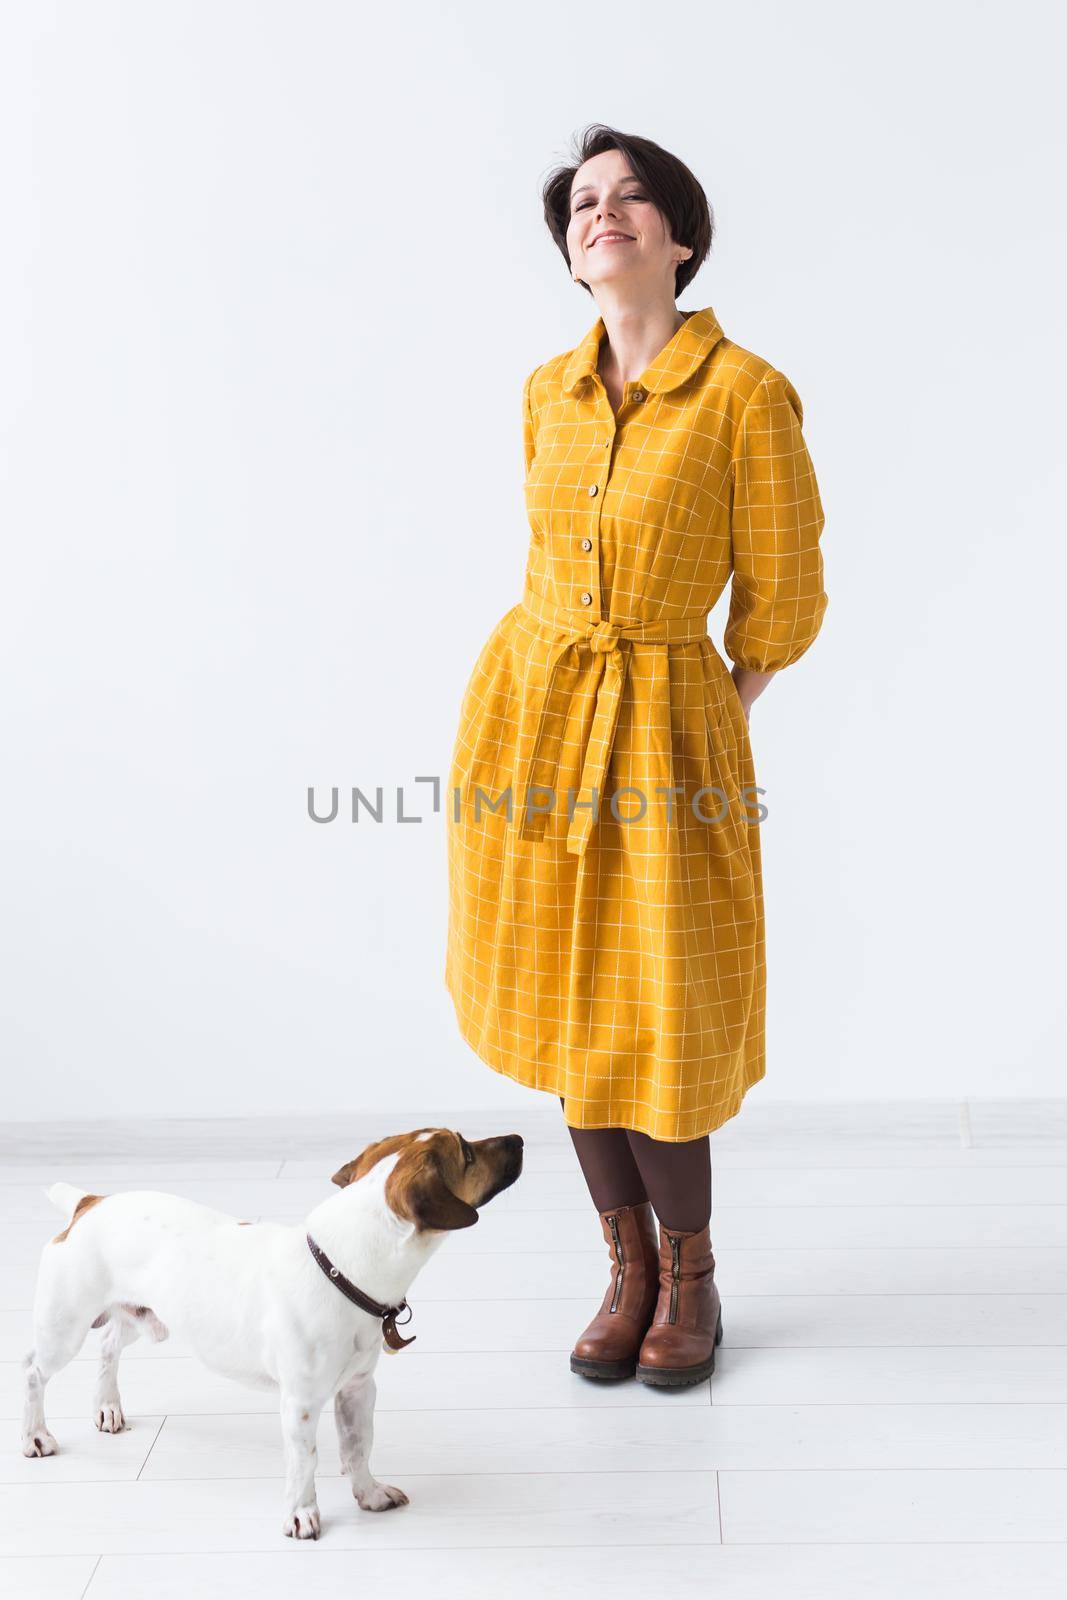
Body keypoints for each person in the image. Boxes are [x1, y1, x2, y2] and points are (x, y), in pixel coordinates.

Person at [445, 123, 828, 1388]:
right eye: (582, 204)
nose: (600, 214)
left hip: (665, 731)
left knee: (658, 1012)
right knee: (572, 1005)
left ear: (679, 237)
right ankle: (623, 1271)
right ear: (572, 253)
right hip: (532, 718)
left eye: (630, 198)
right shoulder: (541, 394)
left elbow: (781, 593)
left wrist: (709, 710)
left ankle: (690, 1275)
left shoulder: (744, 393)